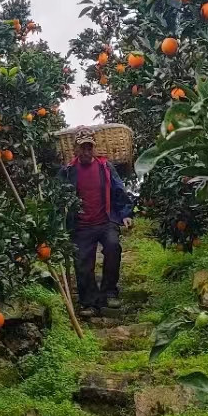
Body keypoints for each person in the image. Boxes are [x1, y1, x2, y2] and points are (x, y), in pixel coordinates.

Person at [59, 128, 134, 315]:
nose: (86, 152)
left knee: (113, 247)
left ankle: (109, 292)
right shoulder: (68, 171)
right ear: (75, 149)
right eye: (82, 148)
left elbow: (119, 190)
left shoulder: (105, 167)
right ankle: (89, 302)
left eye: (89, 147)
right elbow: (58, 198)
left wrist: (125, 213)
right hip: (81, 225)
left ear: (94, 148)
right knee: (83, 262)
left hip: (105, 221)